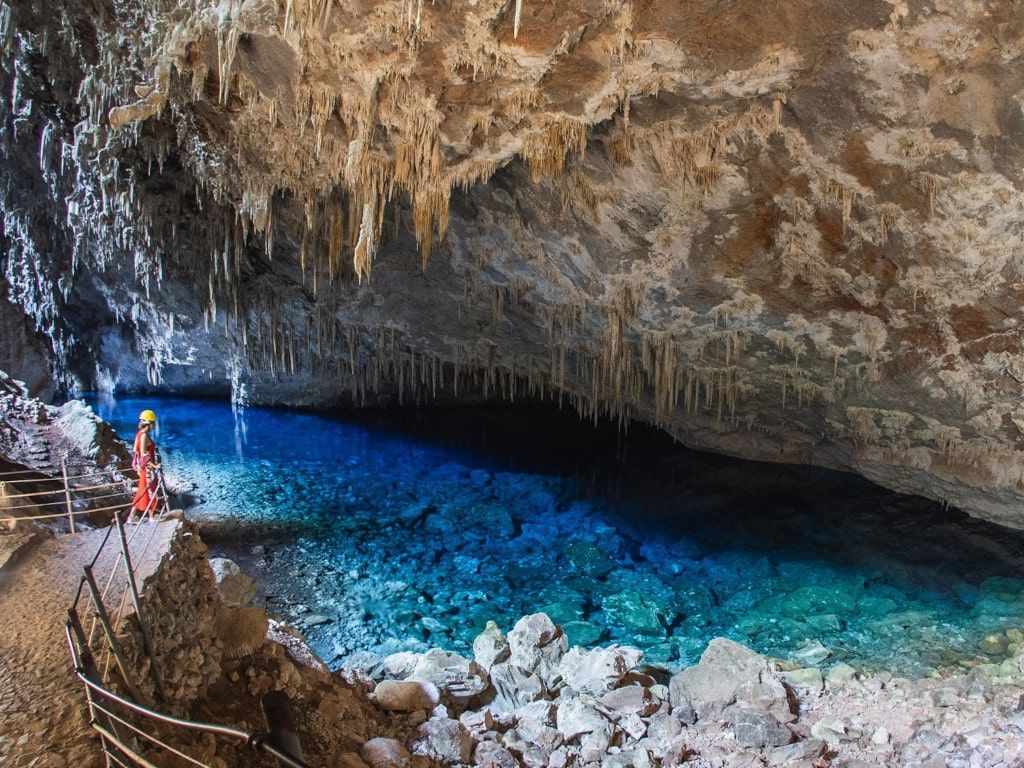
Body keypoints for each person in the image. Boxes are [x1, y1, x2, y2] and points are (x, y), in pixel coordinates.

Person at [130, 409, 163, 524]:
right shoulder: (143, 436)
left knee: (142, 491)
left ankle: (132, 517)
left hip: (145, 468)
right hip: (147, 469)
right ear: (149, 423)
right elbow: (144, 454)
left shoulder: (140, 434)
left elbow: (138, 451)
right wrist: (154, 465)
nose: (154, 425)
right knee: (150, 490)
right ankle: (152, 516)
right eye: (153, 423)